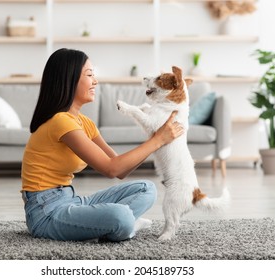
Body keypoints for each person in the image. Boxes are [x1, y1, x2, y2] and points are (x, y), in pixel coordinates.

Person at [21, 48, 183, 242]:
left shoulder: (84, 123)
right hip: (45, 212)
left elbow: (121, 169)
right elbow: (111, 169)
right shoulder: (60, 122)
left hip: (71, 200)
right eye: (90, 75)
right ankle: (124, 224)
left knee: (146, 188)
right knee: (119, 215)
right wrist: (158, 140)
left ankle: (116, 225)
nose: (95, 81)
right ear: (69, 79)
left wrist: (157, 140)